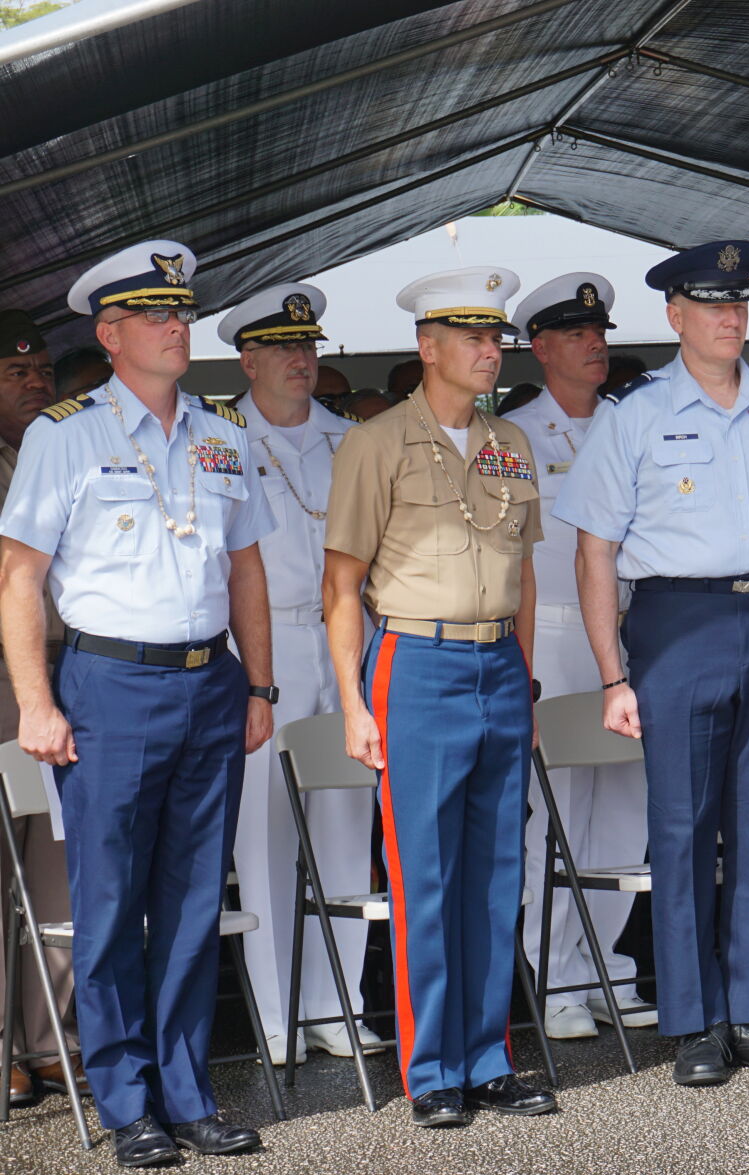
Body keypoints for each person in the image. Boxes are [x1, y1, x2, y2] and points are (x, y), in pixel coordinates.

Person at [0, 240, 275, 1165]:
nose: (176, 324)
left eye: (183, 310)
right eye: (157, 313)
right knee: (112, 904)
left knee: (195, 898)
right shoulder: (63, 434)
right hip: (109, 686)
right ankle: (125, 1102)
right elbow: (19, 577)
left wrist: (260, 682)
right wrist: (36, 702)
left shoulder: (222, 431)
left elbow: (247, 567)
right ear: (110, 333)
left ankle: (188, 1091)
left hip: (209, 683)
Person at [558, 239, 749, 1087]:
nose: (729, 318)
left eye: (739, 303)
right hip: (678, 621)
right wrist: (612, 672)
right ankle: (692, 1022)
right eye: (712, 306)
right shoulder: (632, 412)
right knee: (680, 828)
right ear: (675, 316)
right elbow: (594, 549)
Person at [323, 266, 557, 1126]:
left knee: (498, 872)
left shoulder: (510, 445)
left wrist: (523, 676)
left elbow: (523, 573)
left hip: (498, 664)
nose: (491, 352)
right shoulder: (373, 443)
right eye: (473, 338)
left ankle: (488, 1057)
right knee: (425, 872)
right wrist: (354, 701)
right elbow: (341, 585)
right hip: (414, 665)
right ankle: (431, 1072)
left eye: (495, 338)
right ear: (428, 348)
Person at [213, 285, 380, 1068]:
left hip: (344, 638)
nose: (300, 359)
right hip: (262, 642)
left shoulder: (353, 440)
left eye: (307, 345)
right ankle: (278, 1015)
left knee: (348, 826)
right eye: (282, 347)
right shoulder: (216, 436)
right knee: (268, 833)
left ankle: (337, 1005)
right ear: (246, 358)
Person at [502, 272, 652, 1038]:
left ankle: (605, 967)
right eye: (578, 334)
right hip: (555, 631)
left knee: (626, 815)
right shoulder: (515, 434)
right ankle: (555, 978)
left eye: (601, 333)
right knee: (554, 813)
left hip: (632, 627)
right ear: (541, 347)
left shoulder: (634, 421)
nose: (597, 344)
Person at [0, 310, 79, 1110]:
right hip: (4, 677)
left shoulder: (59, 455)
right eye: (15, 373)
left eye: (42, 372)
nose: (35, 383)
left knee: (56, 868)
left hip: (69, 672)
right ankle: (1, 1051)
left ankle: (49, 1036)